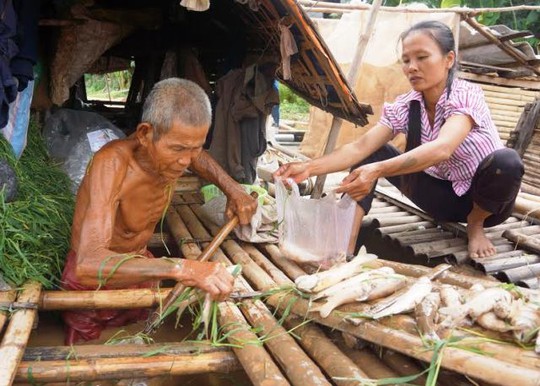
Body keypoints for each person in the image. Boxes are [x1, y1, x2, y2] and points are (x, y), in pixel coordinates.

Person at [274, 20, 523, 260]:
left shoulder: (466, 95)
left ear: (449, 59)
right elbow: (360, 147)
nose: (411, 67)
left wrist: (377, 170)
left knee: (507, 161)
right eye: (406, 60)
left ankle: (475, 226)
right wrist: (308, 168)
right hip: (442, 199)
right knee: (371, 154)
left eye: (422, 57)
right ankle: (345, 248)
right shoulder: (407, 105)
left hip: (488, 203)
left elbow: (443, 149)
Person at [61, 78, 258, 344]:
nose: (186, 161)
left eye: (195, 147)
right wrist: (183, 268)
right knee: (85, 355)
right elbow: (88, 264)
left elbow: (196, 157)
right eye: (177, 148)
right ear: (144, 134)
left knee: (141, 339)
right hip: (96, 282)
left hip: (142, 267)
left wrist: (233, 189)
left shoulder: (177, 155)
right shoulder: (113, 164)